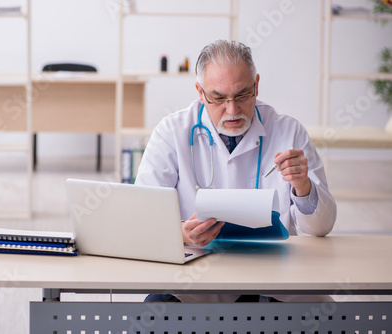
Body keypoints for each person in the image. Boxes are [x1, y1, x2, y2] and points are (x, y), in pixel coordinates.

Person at [135, 40, 337, 303]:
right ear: (200, 92)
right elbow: (141, 216)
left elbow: (322, 228)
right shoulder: (171, 132)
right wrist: (180, 232)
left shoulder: (289, 131)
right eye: (218, 98)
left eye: (242, 95)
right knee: (157, 308)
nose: (232, 110)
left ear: (256, 85)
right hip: (197, 278)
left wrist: (303, 186)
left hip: (274, 277)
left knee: (324, 314)